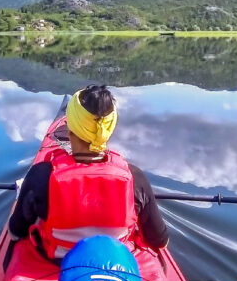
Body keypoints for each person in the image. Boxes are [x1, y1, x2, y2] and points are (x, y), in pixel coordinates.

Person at [9, 85, 168, 261]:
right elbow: (160, 241)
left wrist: (24, 195)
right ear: (109, 130)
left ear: (70, 130)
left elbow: (16, 232)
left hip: (57, 262)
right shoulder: (135, 178)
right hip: (116, 263)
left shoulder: (41, 176)